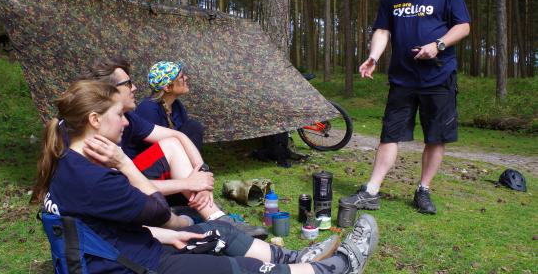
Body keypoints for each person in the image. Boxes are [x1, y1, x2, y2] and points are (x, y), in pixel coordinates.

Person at [31, 80, 379, 274]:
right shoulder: (95, 176)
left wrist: (172, 231)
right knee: (241, 268)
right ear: (94, 120)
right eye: (119, 115)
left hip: (122, 250)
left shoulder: (71, 157)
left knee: (220, 231)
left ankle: (296, 259)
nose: (125, 122)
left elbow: (105, 225)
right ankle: (339, 268)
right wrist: (125, 164)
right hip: (134, 265)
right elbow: (159, 210)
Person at [340, 0, 470, 215]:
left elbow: (463, 26)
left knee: (435, 137)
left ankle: (423, 190)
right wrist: (374, 56)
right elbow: (383, 30)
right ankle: (372, 191)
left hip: (439, 77)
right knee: (390, 134)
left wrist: (438, 45)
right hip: (402, 79)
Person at [82, 56, 268, 239]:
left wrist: (202, 175)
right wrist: (189, 183)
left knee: (181, 136)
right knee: (172, 145)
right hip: (136, 189)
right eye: (128, 83)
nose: (135, 87)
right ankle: (200, 214)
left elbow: (179, 136)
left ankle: (216, 217)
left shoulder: (132, 115)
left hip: (142, 175)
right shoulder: (97, 134)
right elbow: (122, 186)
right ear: (109, 91)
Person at [135, 60, 204, 151]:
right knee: (193, 127)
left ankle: (193, 164)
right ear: (167, 88)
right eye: (181, 77)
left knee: (192, 127)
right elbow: (149, 147)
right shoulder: (148, 109)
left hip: (171, 153)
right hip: (148, 159)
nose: (186, 78)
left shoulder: (176, 105)